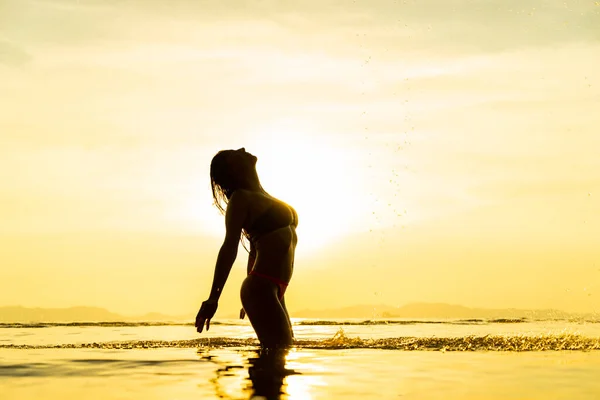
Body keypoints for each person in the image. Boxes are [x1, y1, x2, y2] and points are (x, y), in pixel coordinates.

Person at [195, 147, 298, 348]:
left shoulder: (262, 195)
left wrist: (250, 302)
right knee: (278, 352)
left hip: (274, 288)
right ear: (233, 168)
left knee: (285, 350)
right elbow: (229, 248)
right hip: (262, 287)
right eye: (235, 152)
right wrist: (213, 299)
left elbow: (254, 249)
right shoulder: (241, 198)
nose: (242, 149)